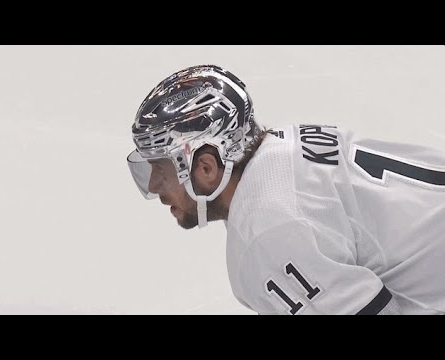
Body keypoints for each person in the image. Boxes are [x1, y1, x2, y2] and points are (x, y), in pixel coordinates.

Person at [127, 64, 445, 315]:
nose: (154, 186)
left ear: (207, 168)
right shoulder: (281, 148)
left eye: (160, 169)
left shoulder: (268, 234)